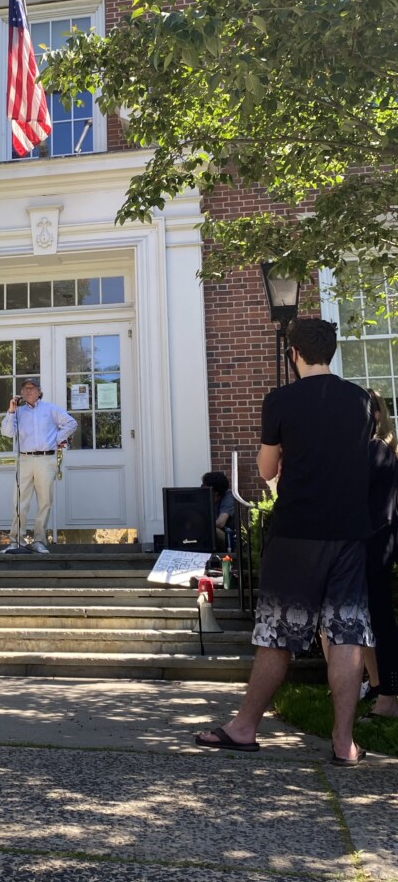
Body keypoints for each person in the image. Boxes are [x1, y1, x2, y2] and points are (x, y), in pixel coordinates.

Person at [195, 317, 375, 765]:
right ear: (330, 352)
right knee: (346, 631)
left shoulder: (281, 400)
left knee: (276, 632)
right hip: (350, 532)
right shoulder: (362, 401)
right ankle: (344, 743)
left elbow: (267, 470)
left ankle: (243, 727)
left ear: (292, 353)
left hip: (297, 531)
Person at [0, 379, 77, 554]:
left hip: (45, 459)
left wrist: (57, 439)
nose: (28, 391)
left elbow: (71, 423)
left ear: (39, 391)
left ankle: (39, 541)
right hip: (25, 459)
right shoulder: (18, 412)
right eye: (25, 389)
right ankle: (15, 542)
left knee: (45, 502)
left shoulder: (50, 409)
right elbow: (6, 433)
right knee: (19, 502)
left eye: (32, 388)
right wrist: (11, 411)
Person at [362, 388, 398, 718]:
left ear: (375, 416)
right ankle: (379, 688)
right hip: (377, 544)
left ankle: (388, 697)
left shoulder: (375, 449)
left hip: (375, 546)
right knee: (371, 622)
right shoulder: (381, 448)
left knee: (381, 622)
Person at [201, 471, 235, 546]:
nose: (202, 487)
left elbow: (220, 523)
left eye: (204, 486)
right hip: (208, 536)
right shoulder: (204, 498)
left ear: (215, 491)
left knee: (211, 530)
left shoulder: (228, 497)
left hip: (227, 536)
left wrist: (199, 526)